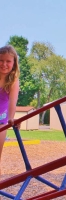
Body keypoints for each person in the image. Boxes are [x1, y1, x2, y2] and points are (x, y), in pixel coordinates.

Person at [0, 45, 20, 177]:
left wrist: (11, 118)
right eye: (1, 60)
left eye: (8, 61)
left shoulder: (13, 80)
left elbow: (12, 103)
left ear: (14, 63)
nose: (4, 64)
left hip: (1, 122)